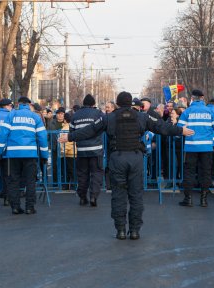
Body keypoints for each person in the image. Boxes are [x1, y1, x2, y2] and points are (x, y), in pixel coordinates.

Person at [58, 91, 194, 240]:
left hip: (117, 158)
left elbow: (89, 130)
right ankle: (135, 230)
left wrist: (70, 136)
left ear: (118, 103)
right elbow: (161, 127)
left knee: (118, 195)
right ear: (131, 103)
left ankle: (121, 230)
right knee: (136, 195)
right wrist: (181, 130)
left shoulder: (108, 117)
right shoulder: (142, 116)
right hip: (135, 158)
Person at [0, 96, 48, 215]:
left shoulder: (11, 115)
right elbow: (42, 137)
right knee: (30, 181)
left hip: (12, 154)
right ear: (30, 104)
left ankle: (15, 207)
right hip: (30, 154)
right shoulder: (35, 117)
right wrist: (44, 154)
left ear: (18, 104)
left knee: (13, 181)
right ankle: (30, 207)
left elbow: (3, 134)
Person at [177, 90, 214, 208]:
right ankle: (203, 200)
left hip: (191, 147)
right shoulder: (210, 111)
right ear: (202, 98)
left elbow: (180, 128)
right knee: (206, 172)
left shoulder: (187, 111)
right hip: (206, 147)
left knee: (189, 172)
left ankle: (188, 199)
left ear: (192, 98)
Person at [70, 94, 104, 206]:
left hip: (81, 150)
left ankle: (82, 197)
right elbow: (102, 127)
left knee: (82, 174)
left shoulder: (75, 115)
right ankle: (93, 196)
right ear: (93, 104)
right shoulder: (98, 113)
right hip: (96, 150)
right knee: (96, 173)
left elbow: (72, 132)